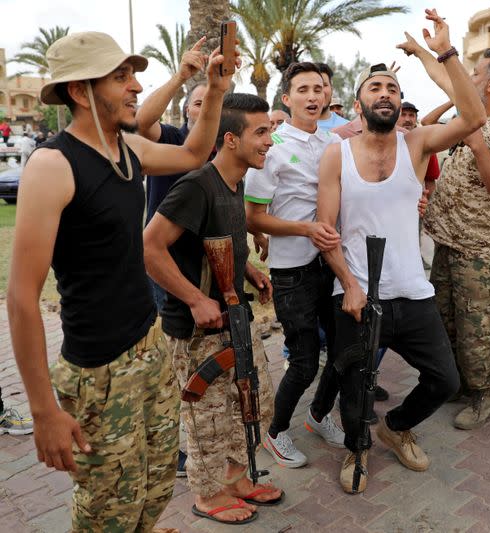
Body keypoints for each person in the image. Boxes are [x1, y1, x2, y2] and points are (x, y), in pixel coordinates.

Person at [6, 31, 234, 531]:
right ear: (77, 90)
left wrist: (213, 91)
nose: (135, 87)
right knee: (107, 510)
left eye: (132, 75)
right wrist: (43, 411)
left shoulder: (125, 148)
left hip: (149, 345)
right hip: (99, 372)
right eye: (120, 76)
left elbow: (195, 152)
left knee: (152, 487)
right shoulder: (53, 165)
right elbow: (22, 299)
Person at [318, 8, 486, 494]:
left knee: (445, 380)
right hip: (355, 292)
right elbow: (324, 230)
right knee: (354, 385)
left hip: (411, 293)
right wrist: (348, 284)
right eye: (376, 88)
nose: (386, 94)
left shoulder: (417, 145)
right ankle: (356, 450)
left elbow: (474, 115)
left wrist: (446, 52)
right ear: (359, 103)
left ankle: (396, 427)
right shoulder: (337, 154)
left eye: (392, 89)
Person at [143, 93, 283, 525]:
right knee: (206, 419)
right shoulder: (197, 185)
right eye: (260, 133)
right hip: (197, 330)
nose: (269, 142)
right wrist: (195, 298)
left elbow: (216, 245)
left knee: (256, 405)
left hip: (234, 319)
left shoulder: (234, 182)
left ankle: (237, 480)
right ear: (231, 139)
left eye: (269, 131)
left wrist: (250, 272)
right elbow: (150, 247)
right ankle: (206, 496)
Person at [418, 45, 490, 430]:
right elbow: (443, 76)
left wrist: (480, 146)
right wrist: (422, 48)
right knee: (444, 319)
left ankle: (482, 394)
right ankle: (455, 385)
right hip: (450, 242)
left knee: (474, 328)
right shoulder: (474, 113)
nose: (466, 79)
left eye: (474, 73)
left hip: (481, 253)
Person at [244, 62, 345, 469]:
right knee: (303, 360)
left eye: (319, 88)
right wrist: (306, 229)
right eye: (302, 89)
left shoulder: (332, 144)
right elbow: (253, 216)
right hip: (292, 271)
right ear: (286, 98)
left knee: (343, 352)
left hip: (332, 265)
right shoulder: (274, 146)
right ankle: (275, 431)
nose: (312, 96)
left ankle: (319, 416)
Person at [136, 39, 211, 313]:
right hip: (165, 259)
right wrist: (180, 77)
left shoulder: (224, 153)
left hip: (208, 261)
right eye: (198, 103)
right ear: (186, 111)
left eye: (212, 103)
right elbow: (142, 121)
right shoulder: (169, 138)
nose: (205, 109)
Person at [316, 63, 349, 132]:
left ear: (331, 88)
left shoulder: (347, 127)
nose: (320, 90)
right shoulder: (293, 128)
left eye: (324, 85)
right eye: (316, 86)